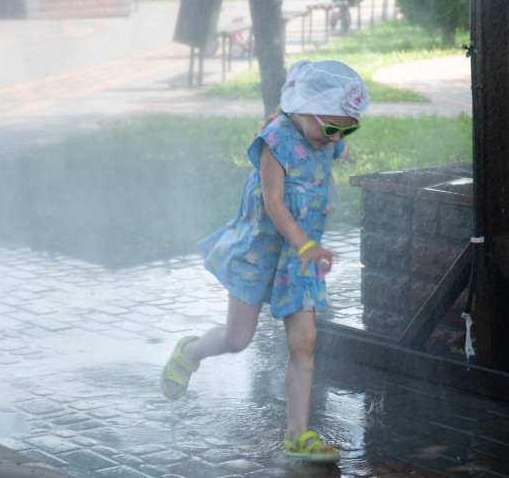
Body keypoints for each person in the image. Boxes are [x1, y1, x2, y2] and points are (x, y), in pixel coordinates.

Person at [159, 59, 370, 463]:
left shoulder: (326, 137)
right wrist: (306, 243)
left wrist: (307, 245)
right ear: (303, 107)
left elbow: (319, 167)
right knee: (237, 340)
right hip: (262, 250)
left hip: (299, 258)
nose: (337, 139)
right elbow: (273, 203)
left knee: (305, 341)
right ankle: (190, 352)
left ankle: (298, 434)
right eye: (330, 128)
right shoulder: (276, 141)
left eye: (347, 129)